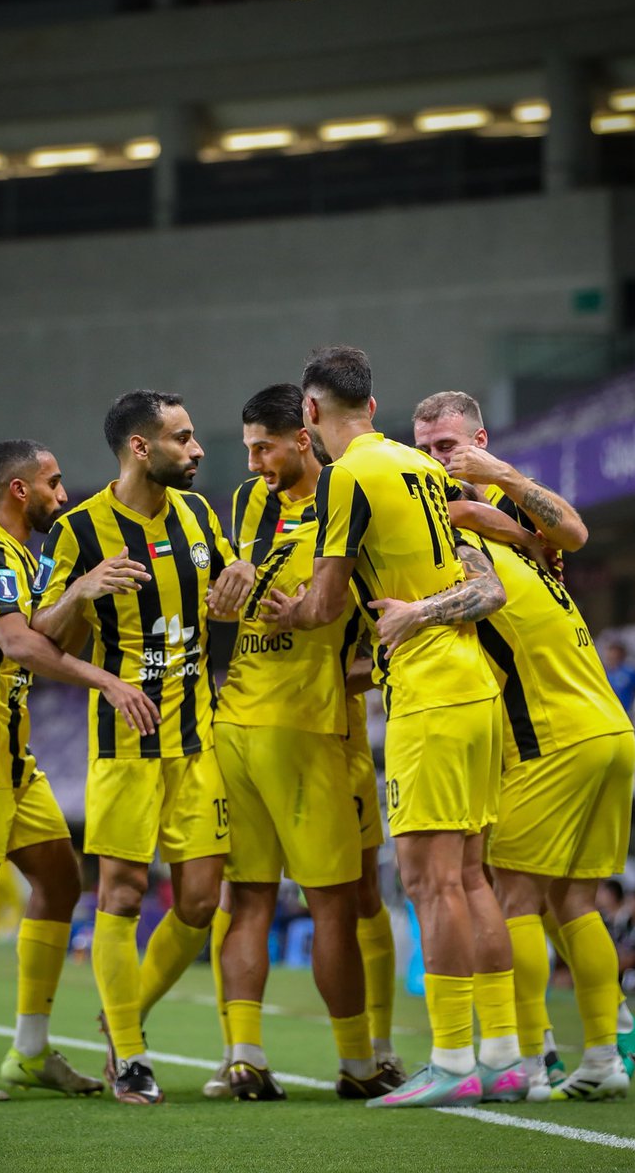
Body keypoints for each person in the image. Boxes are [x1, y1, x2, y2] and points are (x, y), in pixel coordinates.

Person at [261, 347, 519, 1110]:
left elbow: (328, 601)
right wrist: (426, 608)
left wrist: (286, 611)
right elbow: (489, 587)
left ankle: (450, 1060)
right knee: (472, 877)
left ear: (309, 416)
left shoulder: (348, 478)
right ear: (372, 408)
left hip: (430, 698)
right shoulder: (423, 468)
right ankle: (502, 1057)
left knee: (430, 884)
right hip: (477, 686)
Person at [0, 439, 159, 1104]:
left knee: (56, 879)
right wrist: (105, 679)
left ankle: (28, 1051)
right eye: (53, 482)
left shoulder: (28, 557)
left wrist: (80, 594)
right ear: (19, 490)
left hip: (10, 752)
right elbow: (19, 643)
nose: (63, 493)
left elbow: (50, 637)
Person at [32, 390, 254, 1105]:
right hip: (123, 745)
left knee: (198, 902)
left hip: (197, 738)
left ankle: (121, 1011)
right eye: (183, 438)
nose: (196, 450)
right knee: (122, 894)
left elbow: (230, 578)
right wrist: (81, 593)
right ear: (139, 446)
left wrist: (243, 573)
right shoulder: (78, 532)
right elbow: (40, 637)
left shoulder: (197, 513)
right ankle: (129, 1053)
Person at [208, 383, 402, 1101]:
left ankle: (287, 1055)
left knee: (308, 900)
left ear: (303, 437)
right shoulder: (248, 503)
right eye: (249, 447)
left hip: (315, 723)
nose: (254, 462)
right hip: (285, 728)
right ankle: (343, 1063)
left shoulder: (347, 499)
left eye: (265, 447)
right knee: (318, 903)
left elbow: (352, 618)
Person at [445, 525, 635, 1101]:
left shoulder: (465, 558)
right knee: (576, 903)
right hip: (612, 733)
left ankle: (530, 1061)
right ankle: (607, 1055)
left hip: (549, 741)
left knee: (514, 902)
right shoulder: (523, 558)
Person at [411, 391, 588, 573]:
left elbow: (576, 538)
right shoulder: (418, 501)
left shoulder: (514, 494)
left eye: (446, 446)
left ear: (480, 440)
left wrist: (504, 474)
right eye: (424, 450)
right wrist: (529, 543)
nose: (435, 458)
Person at [602, 642, 635, 715]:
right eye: (609, 653)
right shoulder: (604, 674)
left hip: (628, 713)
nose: (611, 656)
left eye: (614, 653)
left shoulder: (630, 672)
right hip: (610, 713)